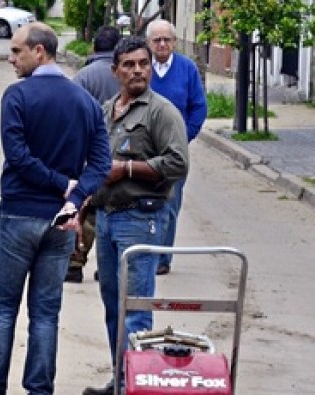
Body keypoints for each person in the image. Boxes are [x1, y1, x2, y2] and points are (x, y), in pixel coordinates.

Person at [0, 22, 111, 395]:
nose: (10, 58)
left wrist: (61, 186)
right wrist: (73, 197)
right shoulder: (85, 102)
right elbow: (101, 164)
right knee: (45, 313)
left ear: (40, 52)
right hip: (61, 222)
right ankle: (39, 389)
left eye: (17, 51)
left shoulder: (18, 96)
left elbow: (18, 156)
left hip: (21, 213)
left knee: (2, 310)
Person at [82, 35, 189, 395]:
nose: (137, 70)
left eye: (143, 63)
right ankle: (123, 380)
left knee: (137, 311)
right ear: (115, 71)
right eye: (128, 65)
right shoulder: (107, 108)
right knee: (114, 306)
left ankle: (136, 387)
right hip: (108, 217)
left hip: (140, 220)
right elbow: (95, 160)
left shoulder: (161, 111)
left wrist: (127, 170)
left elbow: (177, 162)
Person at [146, 19, 207, 276]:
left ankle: (162, 259)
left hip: (174, 152)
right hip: (143, 151)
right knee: (139, 202)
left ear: (174, 42)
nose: (162, 44)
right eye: (157, 40)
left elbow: (198, 107)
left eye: (166, 39)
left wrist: (184, 137)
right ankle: (141, 253)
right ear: (149, 43)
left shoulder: (187, 69)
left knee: (170, 205)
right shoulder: (141, 67)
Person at [66, 25, 122, 283]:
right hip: (124, 150)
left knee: (86, 209)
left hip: (90, 152)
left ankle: (75, 263)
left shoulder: (83, 77)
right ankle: (109, 265)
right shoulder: (126, 74)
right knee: (113, 208)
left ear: (93, 47)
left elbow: (71, 117)